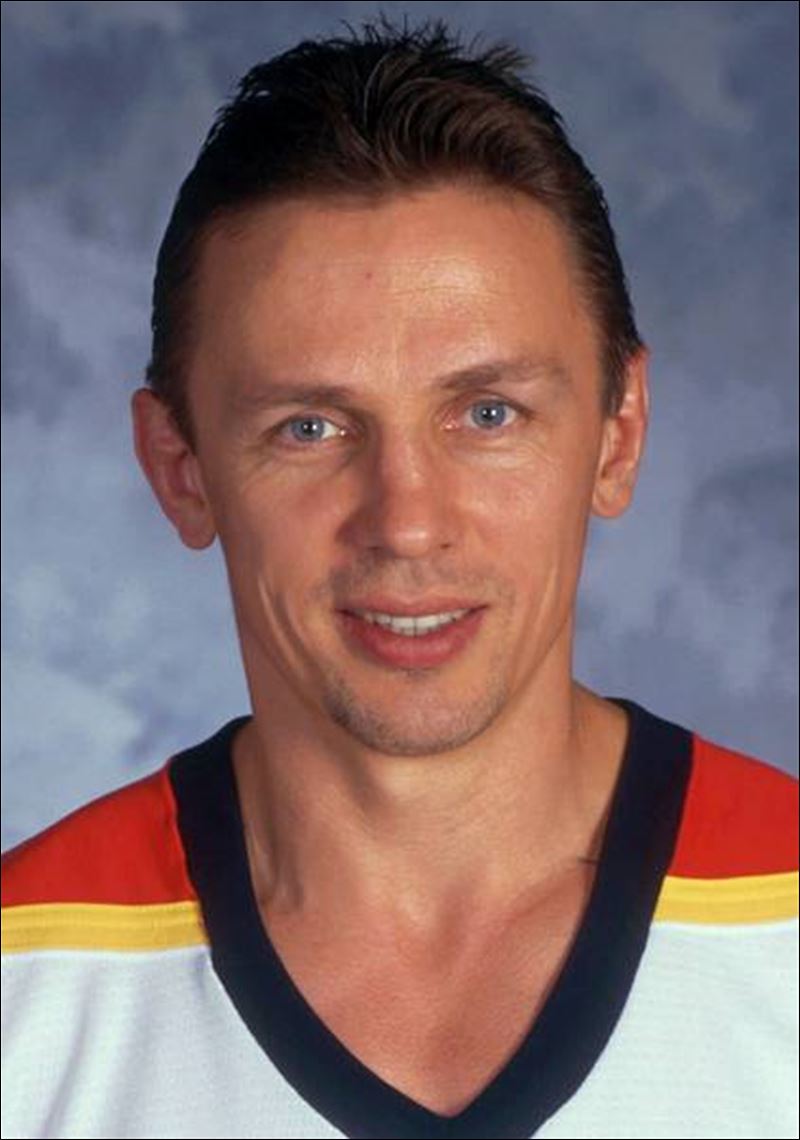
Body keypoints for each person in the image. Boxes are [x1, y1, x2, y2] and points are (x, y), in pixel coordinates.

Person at [2, 14, 797, 1140]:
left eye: (487, 414)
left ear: (617, 436)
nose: (408, 523)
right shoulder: (24, 988)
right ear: (180, 469)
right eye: (310, 427)